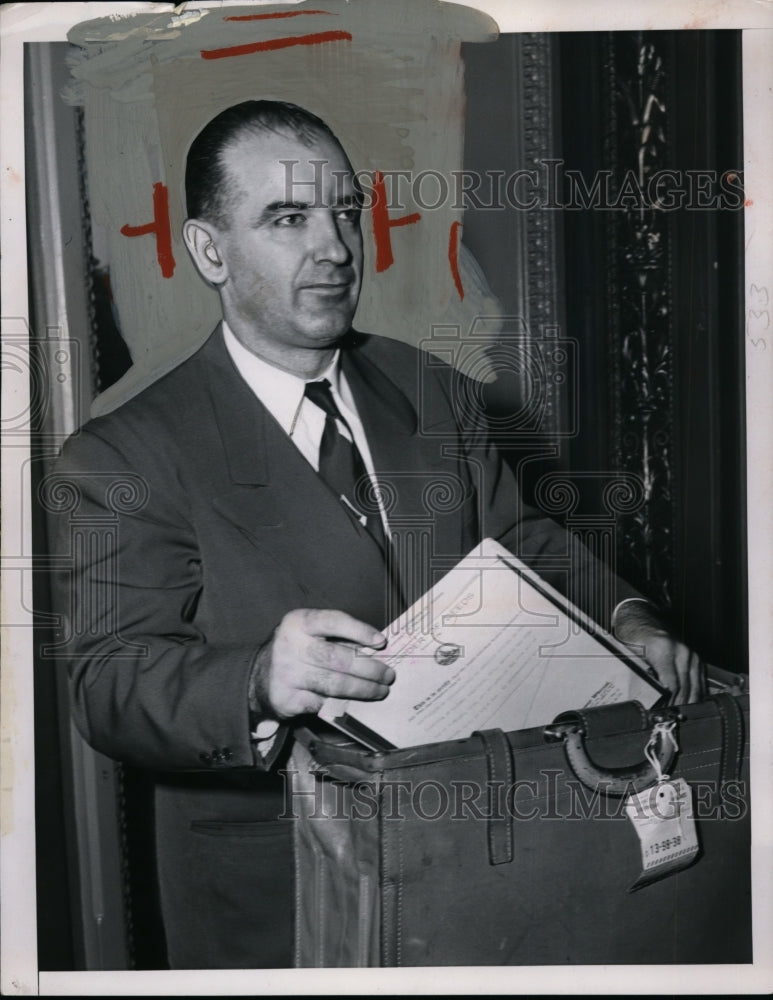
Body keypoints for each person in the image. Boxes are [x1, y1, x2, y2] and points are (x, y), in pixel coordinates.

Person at [52, 100, 704, 969]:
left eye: (344, 212)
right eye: (288, 219)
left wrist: (627, 619)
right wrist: (255, 679)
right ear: (210, 251)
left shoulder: (431, 388)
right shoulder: (122, 453)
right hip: (282, 898)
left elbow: (522, 542)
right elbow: (108, 682)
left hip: (486, 858)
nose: (334, 247)